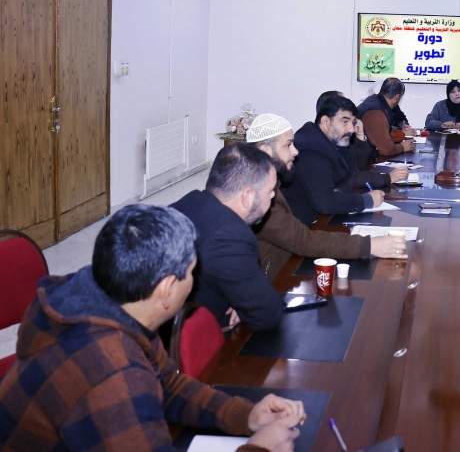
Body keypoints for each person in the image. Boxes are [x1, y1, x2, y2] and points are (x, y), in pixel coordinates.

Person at [0, 205, 305, 451]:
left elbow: (166, 384)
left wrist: (243, 415)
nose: (193, 282)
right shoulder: (112, 373)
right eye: (191, 273)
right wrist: (260, 448)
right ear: (167, 289)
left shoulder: (110, 298)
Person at [247, 113, 408, 280]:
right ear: (265, 151)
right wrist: (370, 245)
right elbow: (303, 240)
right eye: (288, 145)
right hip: (272, 280)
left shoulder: (264, 178)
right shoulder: (255, 194)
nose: (295, 151)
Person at [171, 143, 282, 331]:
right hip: (199, 339)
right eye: (271, 190)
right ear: (247, 196)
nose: (273, 196)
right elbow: (267, 313)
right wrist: (246, 306)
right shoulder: (229, 237)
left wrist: (242, 303)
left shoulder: (192, 201)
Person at [283, 95, 409, 227]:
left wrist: (341, 191)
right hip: (306, 226)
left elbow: (348, 178)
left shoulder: (329, 141)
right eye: (344, 122)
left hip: (321, 218)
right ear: (325, 122)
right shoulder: (311, 149)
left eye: (353, 122)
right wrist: (366, 200)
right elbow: (326, 203)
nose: (351, 129)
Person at [358, 78, 414, 156]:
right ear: (397, 97)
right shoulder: (376, 112)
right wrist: (403, 147)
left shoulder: (377, 102)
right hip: (364, 160)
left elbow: (387, 135)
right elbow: (386, 150)